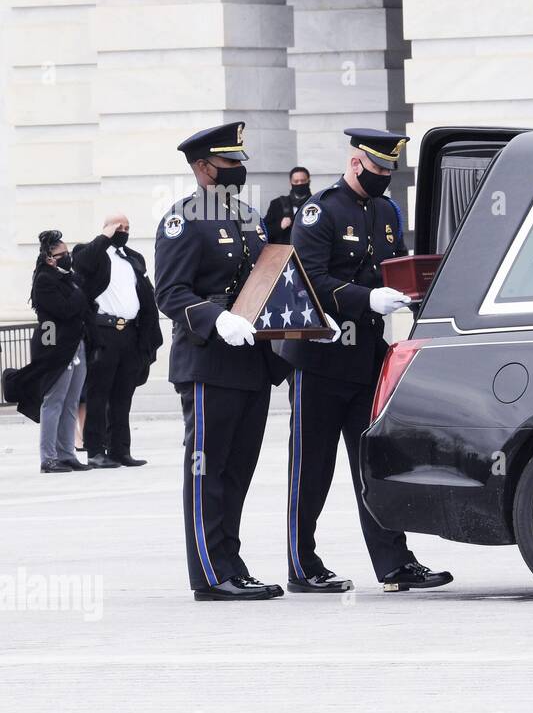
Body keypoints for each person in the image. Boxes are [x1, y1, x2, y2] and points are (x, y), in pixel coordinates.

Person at [279, 128, 452, 594]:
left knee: (373, 464)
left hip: (366, 357)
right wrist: (365, 297)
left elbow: (393, 266)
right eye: (377, 170)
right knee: (311, 468)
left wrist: (412, 290)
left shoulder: (386, 210)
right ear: (356, 164)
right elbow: (311, 278)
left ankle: (394, 563)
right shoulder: (319, 210)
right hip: (319, 358)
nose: (383, 179)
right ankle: (302, 565)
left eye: (389, 172)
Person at [154, 121, 288, 601]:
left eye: (239, 163)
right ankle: (210, 574)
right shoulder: (182, 220)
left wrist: (309, 317)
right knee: (208, 471)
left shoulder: (250, 217)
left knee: (238, 471)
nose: (236, 170)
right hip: (210, 361)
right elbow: (169, 293)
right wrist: (217, 319)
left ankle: (232, 562)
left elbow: (271, 279)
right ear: (202, 168)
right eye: (228, 164)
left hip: (251, 361)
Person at [72, 215, 163, 468]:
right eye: (117, 227)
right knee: (98, 395)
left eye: (126, 228)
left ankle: (120, 449)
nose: (122, 231)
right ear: (105, 228)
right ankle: (95, 450)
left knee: (123, 396)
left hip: (130, 334)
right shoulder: (91, 252)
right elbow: (80, 263)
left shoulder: (132, 257)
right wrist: (105, 237)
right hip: (104, 332)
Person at [1, 231, 94, 473]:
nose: (67, 258)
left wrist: (78, 292)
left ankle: (66, 454)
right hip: (57, 348)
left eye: (68, 253)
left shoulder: (69, 279)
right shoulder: (45, 280)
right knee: (55, 400)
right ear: (50, 258)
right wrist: (79, 292)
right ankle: (48, 457)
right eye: (61, 255)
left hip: (77, 344)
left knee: (72, 401)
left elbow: (83, 308)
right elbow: (65, 310)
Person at [264, 166, 312, 245]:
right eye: (296, 181)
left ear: (309, 181)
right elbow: (264, 231)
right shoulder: (277, 204)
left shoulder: (316, 204)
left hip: (307, 252)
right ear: (290, 183)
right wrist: (280, 226)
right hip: (283, 254)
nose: (299, 184)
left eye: (303, 181)